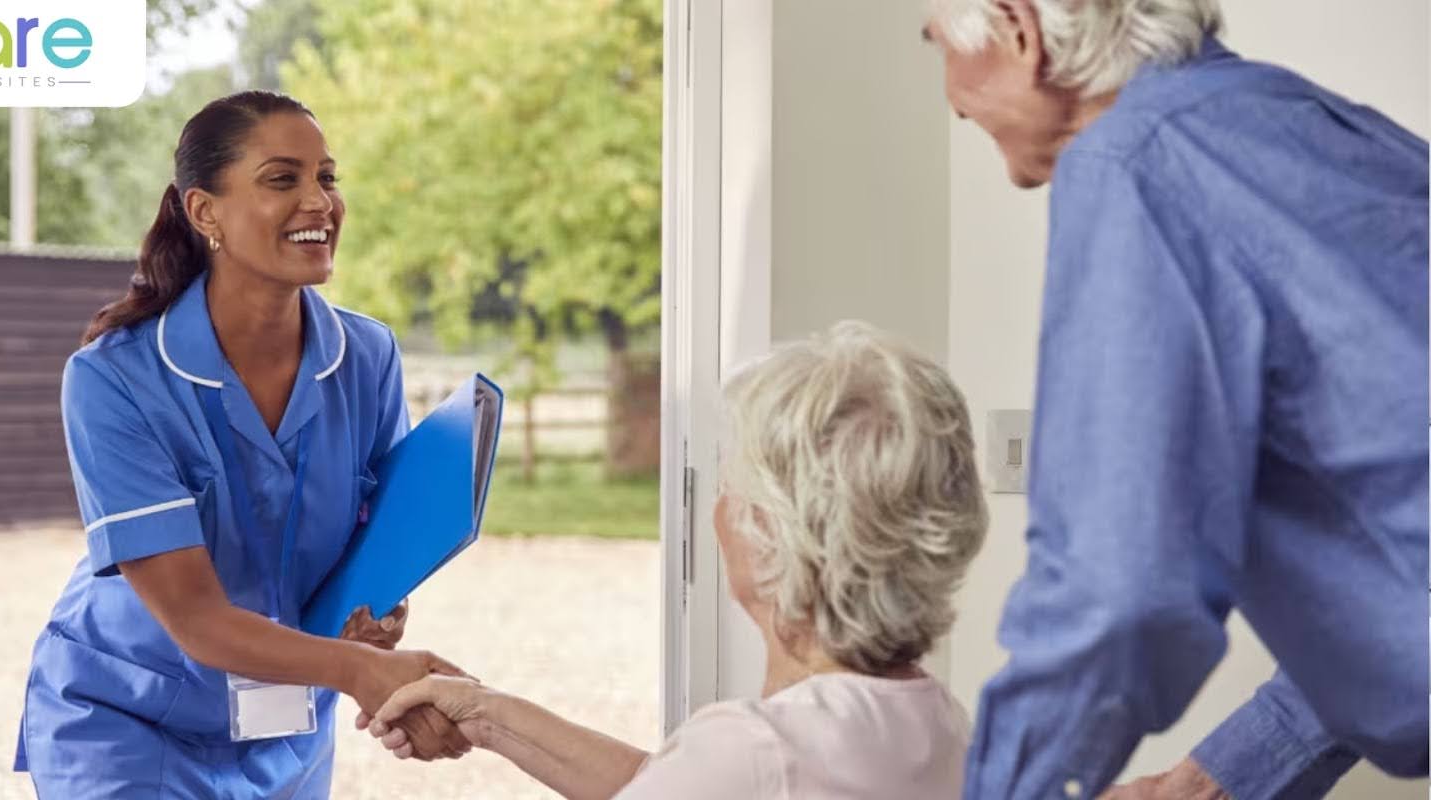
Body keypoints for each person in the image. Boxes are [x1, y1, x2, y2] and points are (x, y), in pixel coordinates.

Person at [919, 1, 1430, 797]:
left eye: (938, 47)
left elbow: (1113, 594)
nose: (950, 99)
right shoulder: (1291, 119)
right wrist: (1210, 780)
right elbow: (1398, 541)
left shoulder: (1132, 163)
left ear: (1020, 33)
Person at [12, 90, 471, 797]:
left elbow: (374, 543)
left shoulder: (368, 356)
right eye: (282, 179)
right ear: (205, 212)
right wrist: (360, 672)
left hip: (286, 726)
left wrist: (377, 613)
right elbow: (195, 617)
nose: (319, 201)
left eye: (327, 177)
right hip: (129, 725)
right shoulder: (114, 378)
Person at [359, 321, 989, 799]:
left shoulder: (755, 752)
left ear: (771, 534)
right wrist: (488, 714)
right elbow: (667, 783)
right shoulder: (941, 726)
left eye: (731, 482)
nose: (719, 507)